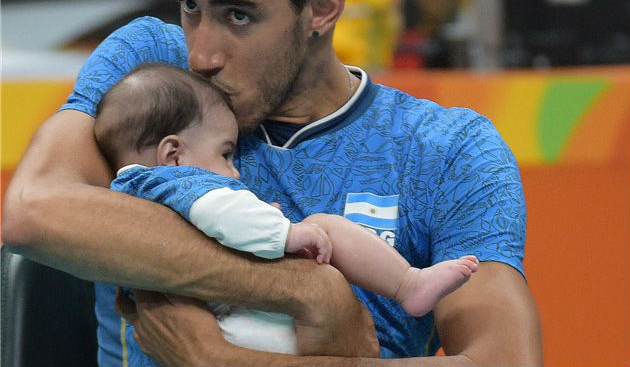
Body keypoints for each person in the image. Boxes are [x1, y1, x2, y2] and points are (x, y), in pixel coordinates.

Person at [2, 0, 542, 365]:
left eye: (237, 15)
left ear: (322, 9)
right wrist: (308, 290)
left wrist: (220, 361)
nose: (200, 55)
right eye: (190, 4)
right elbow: (33, 211)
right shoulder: (148, 69)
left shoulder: (448, 150)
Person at [94, 62, 479, 362]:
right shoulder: (171, 182)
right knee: (321, 227)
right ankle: (407, 284)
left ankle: (409, 284)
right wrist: (286, 234)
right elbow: (220, 211)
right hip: (239, 330)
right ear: (173, 154)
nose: (235, 171)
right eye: (226, 154)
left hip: (227, 317)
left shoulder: (132, 192)